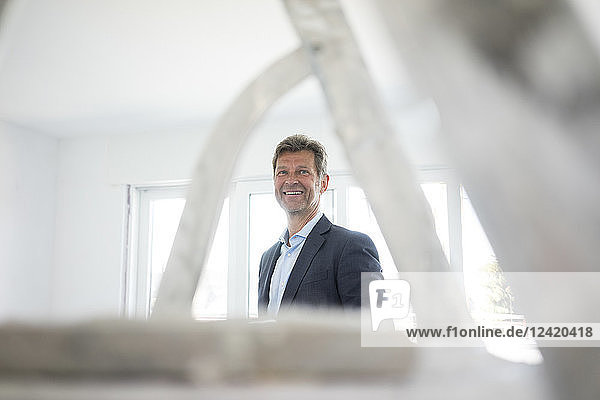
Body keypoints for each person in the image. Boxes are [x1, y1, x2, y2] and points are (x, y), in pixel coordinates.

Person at [258, 134, 382, 317]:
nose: (291, 180)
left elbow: (375, 331)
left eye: (303, 171)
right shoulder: (267, 259)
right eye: (282, 172)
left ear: (323, 183)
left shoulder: (353, 246)